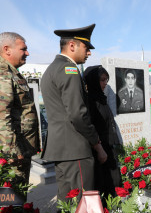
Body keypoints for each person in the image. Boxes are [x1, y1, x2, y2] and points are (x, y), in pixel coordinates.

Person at [41, 24, 107, 202]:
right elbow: (78, 115)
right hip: (75, 149)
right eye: (86, 48)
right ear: (72, 46)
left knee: (68, 203)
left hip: (63, 149)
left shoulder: (52, 69)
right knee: (81, 204)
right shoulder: (68, 69)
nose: (89, 53)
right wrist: (97, 144)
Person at [0, 32, 40, 188]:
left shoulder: (12, 73)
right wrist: (12, 152)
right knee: (12, 200)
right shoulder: (3, 73)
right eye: (23, 49)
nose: (27, 53)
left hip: (20, 150)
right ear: (7, 49)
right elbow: (2, 117)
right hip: (14, 155)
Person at [83, 65, 121, 197]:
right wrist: (99, 149)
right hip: (100, 152)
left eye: (106, 80)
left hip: (108, 149)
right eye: (102, 80)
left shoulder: (101, 98)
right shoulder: (89, 102)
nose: (105, 83)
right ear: (93, 80)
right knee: (103, 187)